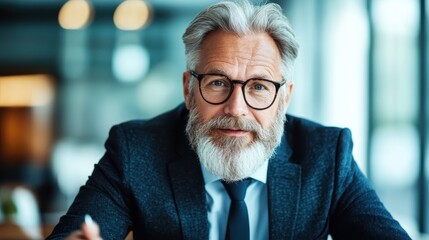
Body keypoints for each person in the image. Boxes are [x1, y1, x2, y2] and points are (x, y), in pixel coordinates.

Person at [47, 0, 411, 239]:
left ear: (283, 98)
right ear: (189, 89)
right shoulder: (135, 152)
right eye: (218, 83)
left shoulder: (326, 157)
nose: (236, 108)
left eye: (258, 87)